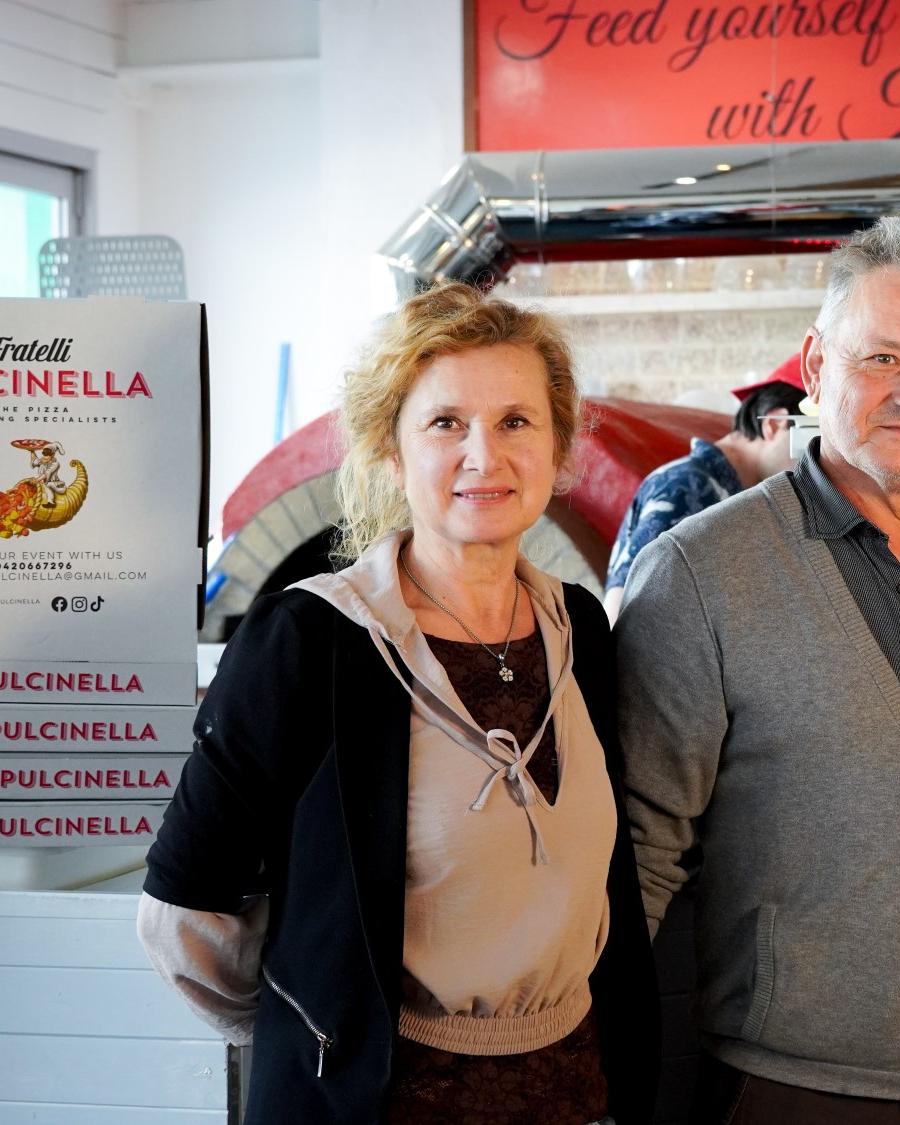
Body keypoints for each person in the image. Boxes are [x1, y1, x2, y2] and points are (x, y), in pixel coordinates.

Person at [137, 282, 658, 1124]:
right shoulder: (311, 638)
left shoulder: (581, 629)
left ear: (559, 446)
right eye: (445, 423)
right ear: (390, 451)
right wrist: (317, 1026)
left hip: (571, 1095)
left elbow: (609, 887)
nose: (484, 456)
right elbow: (183, 910)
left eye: (516, 421)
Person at [616, 212, 900, 1124]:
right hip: (789, 1088)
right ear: (816, 365)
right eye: (882, 359)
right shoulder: (703, 572)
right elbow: (637, 859)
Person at [602, 358, 806, 621]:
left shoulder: (732, 496)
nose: (821, 460)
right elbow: (627, 617)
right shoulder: (687, 488)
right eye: (814, 439)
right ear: (775, 424)